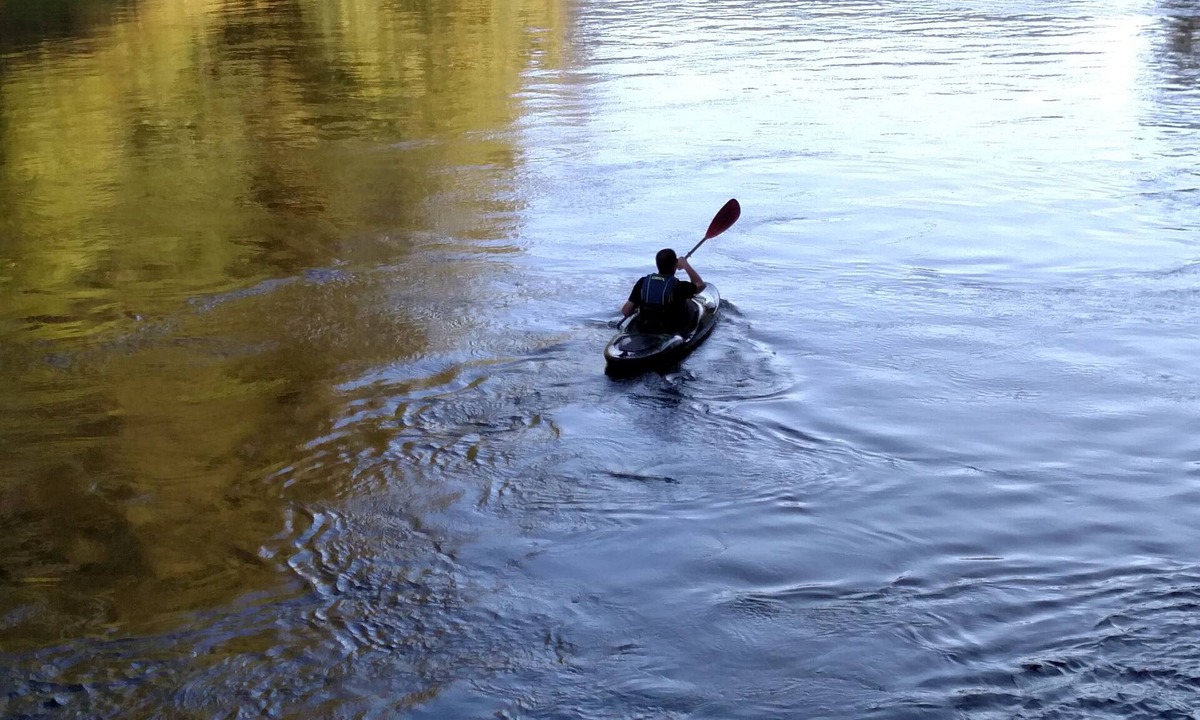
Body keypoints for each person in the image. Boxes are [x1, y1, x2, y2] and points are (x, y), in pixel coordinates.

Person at [621, 248, 706, 333]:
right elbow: (700, 285)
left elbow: (626, 311)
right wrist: (685, 264)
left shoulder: (643, 282)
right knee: (689, 303)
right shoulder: (679, 286)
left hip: (645, 327)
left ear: (657, 264)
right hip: (670, 330)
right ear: (676, 263)